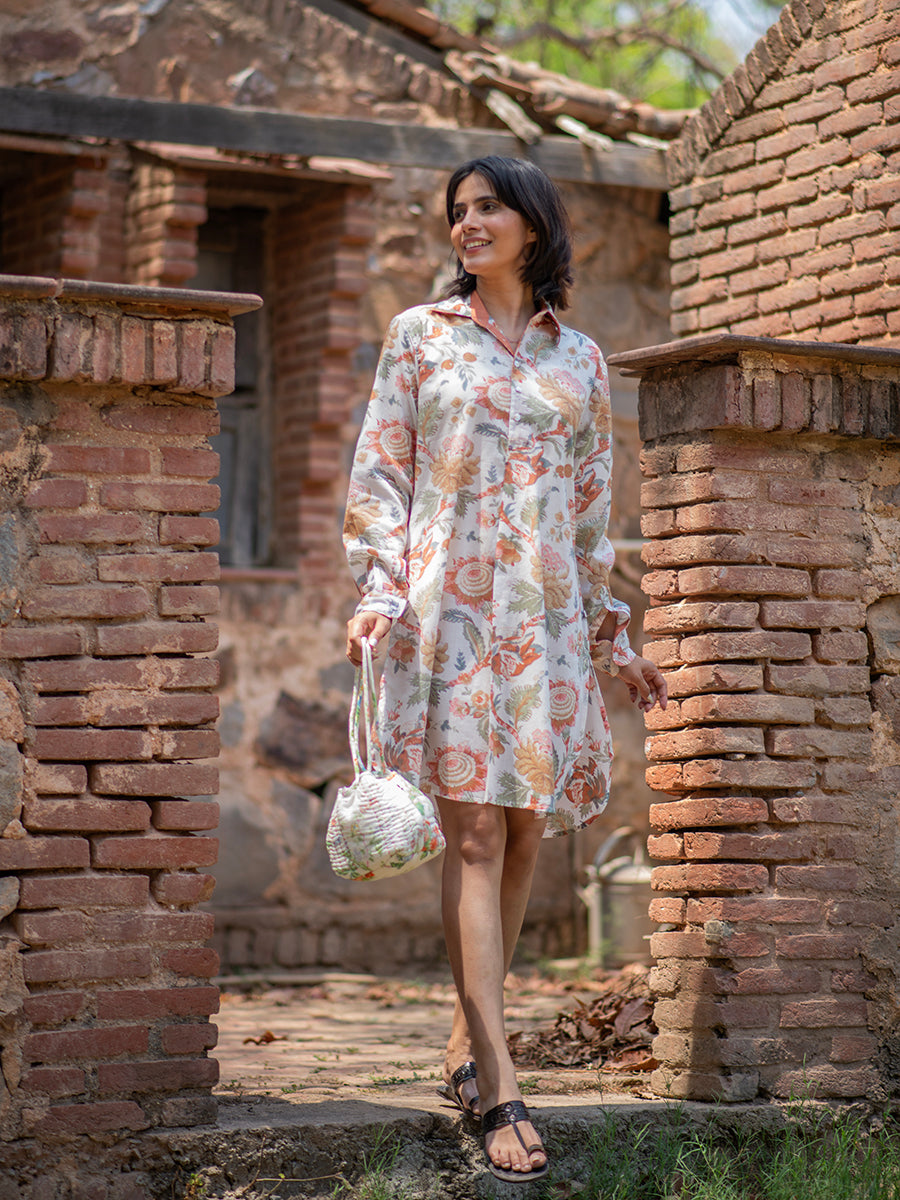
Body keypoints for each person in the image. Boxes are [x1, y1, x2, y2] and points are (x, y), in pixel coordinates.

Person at [343, 155, 666, 1183]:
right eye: (458, 211)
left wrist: (614, 638)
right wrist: (377, 588)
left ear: (533, 222)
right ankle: (497, 1076)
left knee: (523, 830)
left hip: (547, 623)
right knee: (474, 831)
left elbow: (591, 510)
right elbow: (381, 471)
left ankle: (462, 1038)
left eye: (488, 206)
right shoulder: (420, 337)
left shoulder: (583, 360)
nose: (468, 223)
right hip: (448, 618)